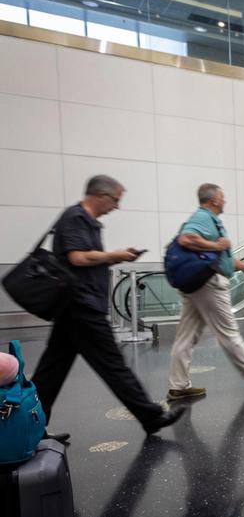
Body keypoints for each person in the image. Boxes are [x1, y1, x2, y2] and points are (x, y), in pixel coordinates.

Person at [32, 175, 184, 436]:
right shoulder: (76, 217)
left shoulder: (87, 222)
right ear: (100, 195)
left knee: (51, 371)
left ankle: (30, 428)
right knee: (113, 365)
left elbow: (85, 261)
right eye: (115, 200)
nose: (116, 206)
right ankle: (150, 416)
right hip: (81, 306)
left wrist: (113, 258)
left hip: (75, 307)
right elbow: (78, 258)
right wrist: (114, 255)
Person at [166, 183, 244, 401]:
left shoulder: (209, 220)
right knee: (227, 329)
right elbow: (187, 239)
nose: (225, 200)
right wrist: (218, 245)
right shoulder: (203, 217)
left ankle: (178, 386)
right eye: (222, 197)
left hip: (196, 285)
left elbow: (222, 256)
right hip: (208, 284)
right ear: (213, 200)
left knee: (186, 336)